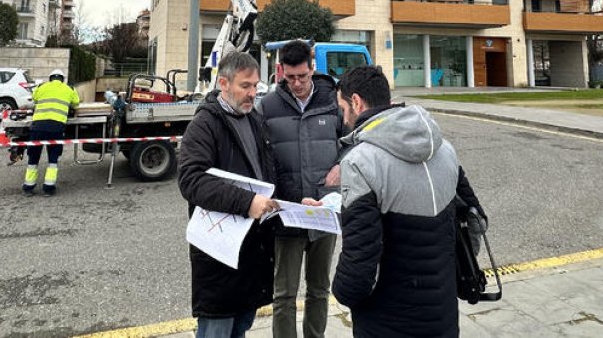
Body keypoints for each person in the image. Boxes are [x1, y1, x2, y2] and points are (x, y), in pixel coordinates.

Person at [331, 65, 481, 338]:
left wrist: (341, 290)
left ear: (356, 102)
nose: (343, 118)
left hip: (388, 320)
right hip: (442, 313)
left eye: (343, 108)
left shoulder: (360, 161)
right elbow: (475, 220)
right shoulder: (445, 148)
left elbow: (360, 266)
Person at [177, 51, 279, 338]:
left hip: (251, 248)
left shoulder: (254, 118)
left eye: (255, 86)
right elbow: (191, 179)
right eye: (245, 86)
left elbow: (267, 170)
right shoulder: (204, 124)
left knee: (241, 325)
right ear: (223, 83)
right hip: (219, 252)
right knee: (217, 328)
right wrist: (247, 202)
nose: (252, 93)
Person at [258, 40, 342, 338]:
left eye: (302, 77)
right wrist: (285, 199)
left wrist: (343, 164)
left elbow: (352, 141)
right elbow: (261, 160)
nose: (296, 84)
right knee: (284, 295)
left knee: (320, 290)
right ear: (281, 71)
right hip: (288, 215)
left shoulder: (333, 100)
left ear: (312, 68)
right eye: (290, 77)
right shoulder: (266, 107)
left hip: (324, 214)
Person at [22, 68, 81, 196]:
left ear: (50, 78)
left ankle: (28, 187)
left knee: (33, 157)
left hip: (38, 126)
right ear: (62, 79)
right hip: (56, 127)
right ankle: (48, 188)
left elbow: (35, 98)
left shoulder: (42, 87)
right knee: (53, 159)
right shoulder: (69, 89)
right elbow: (76, 103)